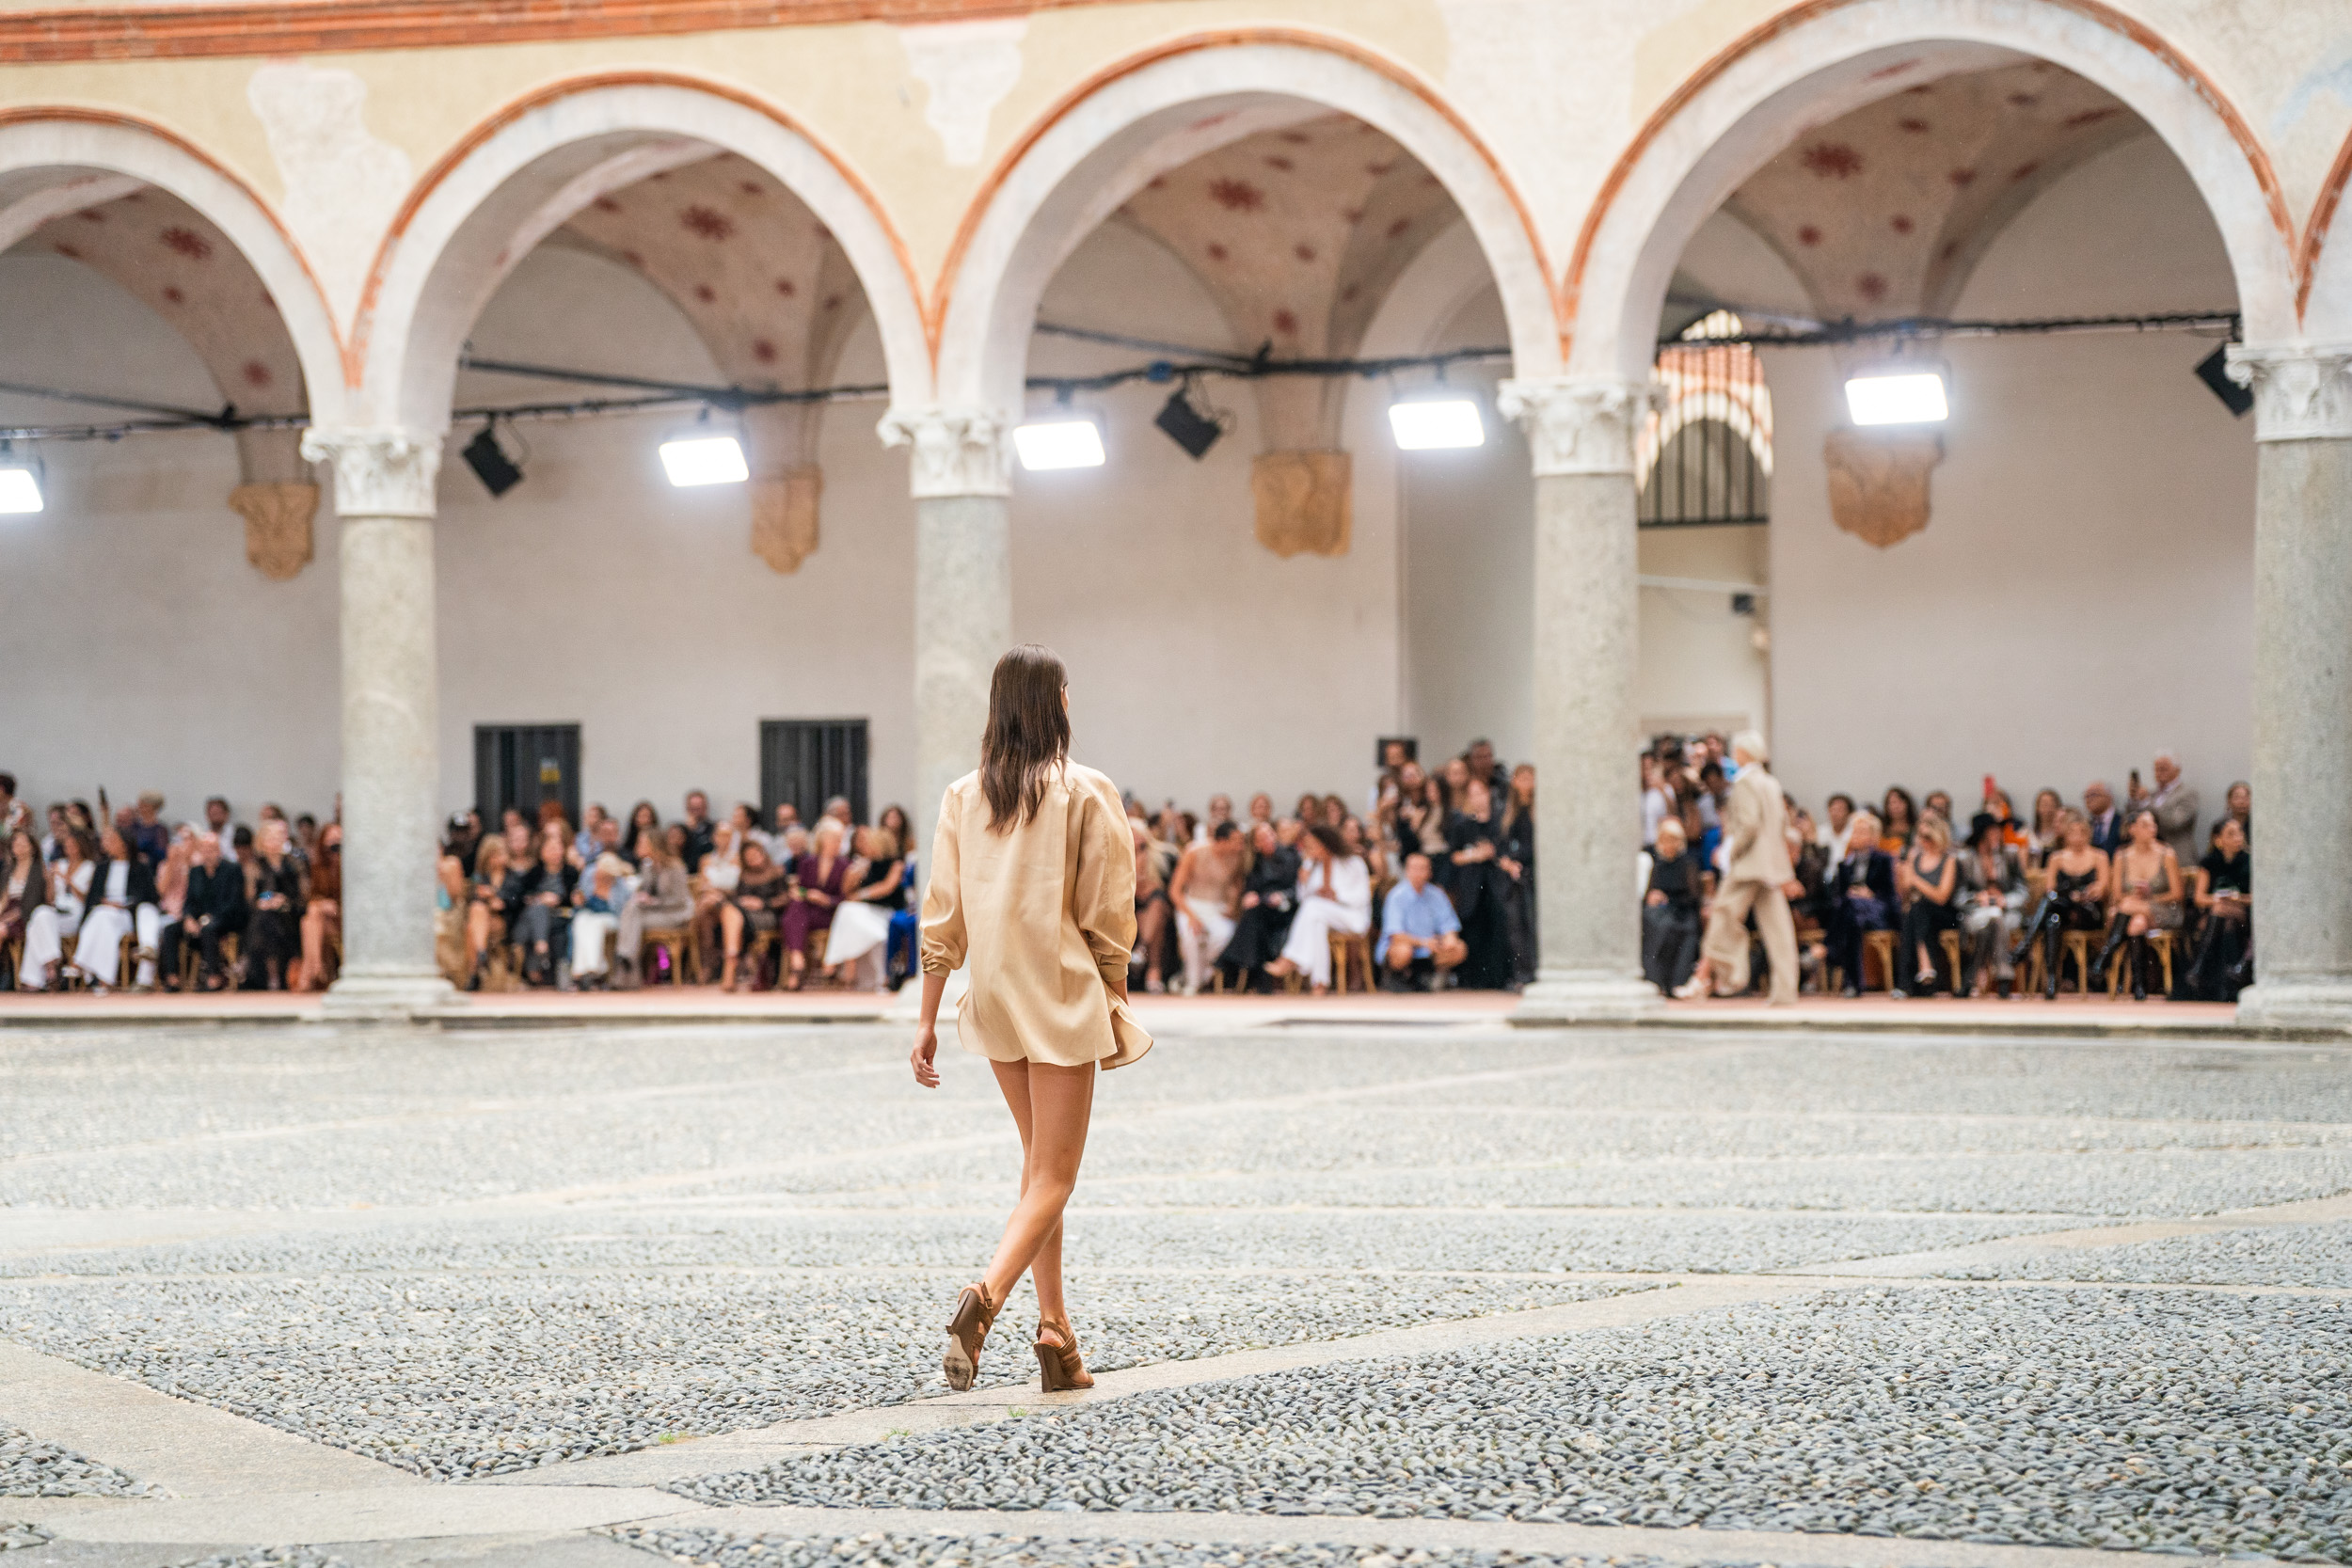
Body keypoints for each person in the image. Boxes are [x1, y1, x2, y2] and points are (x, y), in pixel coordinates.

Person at [911, 642, 1144, 1396]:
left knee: (1036, 1166)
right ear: (1058, 704)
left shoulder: (960, 794)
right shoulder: (1085, 790)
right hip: (1060, 986)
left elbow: (941, 918)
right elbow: (1109, 911)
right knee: (1056, 1175)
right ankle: (985, 1300)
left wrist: (926, 1020)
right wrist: (1114, 986)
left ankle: (1057, 1336)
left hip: (994, 994)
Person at [1681, 731, 1798, 1004]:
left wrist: (1729, 852)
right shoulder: (1770, 782)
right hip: (1769, 863)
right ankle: (1784, 991)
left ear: (1743, 753)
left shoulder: (1745, 782)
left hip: (1749, 864)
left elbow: (1748, 825)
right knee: (1777, 928)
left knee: (1721, 916)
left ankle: (1732, 973)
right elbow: (1781, 824)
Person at [2011, 810, 2110, 999]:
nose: (2077, 837)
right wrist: (2070, 896)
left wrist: (2091, 891)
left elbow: (2103, 888)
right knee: (2053, 919)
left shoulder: (2099, 856)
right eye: (2073, 832)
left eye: (2081, 832)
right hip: (2063, 909)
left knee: (2053, 907)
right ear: (2066, 834)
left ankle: (2025, 945)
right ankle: (2051, 980)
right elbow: (2050, 889)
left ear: (2088, 833)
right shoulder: (2056, 858)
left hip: (2088, 911)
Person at [1264, 824, 1372, 992]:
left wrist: (1337, 896)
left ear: (1326, 843)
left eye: (1313, 845)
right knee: (1316, 921)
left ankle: (1291, 957)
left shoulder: (1353, 862)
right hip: (1323, 916)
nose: (1310, 850)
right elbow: (1302, 899)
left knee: (1314, 908)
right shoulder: (1313, 866)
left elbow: (1362, 897)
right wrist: (1304, 879)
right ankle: (1319, 982)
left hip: (1351, 915)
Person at [2095, 807, 2184, 1000]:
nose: (2151, 829)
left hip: (2164, 909)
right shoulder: (2122, 855)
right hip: (2135, 913)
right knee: (2137, 924)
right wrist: (2135, 897)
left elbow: (2177, 895)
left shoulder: (2166, 853)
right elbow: (2117, 894)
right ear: (2132, 828)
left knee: (2127, 908)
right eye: (2144, 825)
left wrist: (2149, 896)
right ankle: (2139, 985)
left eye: (2153, 824)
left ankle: (2106, 956)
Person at [1444, 778, 1516, 990]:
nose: (1478, 798)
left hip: (1495, 884)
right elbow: (1454, 855)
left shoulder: (1500, 822)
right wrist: (1475, 854)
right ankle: (1473, 980)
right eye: (1473, 794)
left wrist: (1492, 853)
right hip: (1472, 885)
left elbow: (1503, 850)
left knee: (1497, 929)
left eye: (1481, 793)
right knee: (1473, 929)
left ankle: (1499, 979)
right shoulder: (1463, 825)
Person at [1824, 812, 1899, 996]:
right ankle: (1852, 984)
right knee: (1851, 914)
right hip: (1853, 914)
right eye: (1855, 832)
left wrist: (1870, 895)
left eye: (1863, 832)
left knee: (1850, 910)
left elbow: (1891, 895)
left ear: (1873, 836)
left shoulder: (1883, 860)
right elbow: (1837, 895)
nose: (1857, 836)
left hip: (1877, 910)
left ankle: (1829, 949)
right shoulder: (1845, 863)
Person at [1217, 820, 1298, 989]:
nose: (1267, 839)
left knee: (1255, 916)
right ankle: (1259, 976)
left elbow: (1297, 889)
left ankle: (1231, 962)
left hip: (1286, 911)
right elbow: (1251, 889)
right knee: (1255, 915)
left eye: (1269, 834)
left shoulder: (1290, 856)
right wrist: (1249, 896)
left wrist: (1281, 896)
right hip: (1263, 910)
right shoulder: (1254, 863)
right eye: (1262, 837)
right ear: (1256, 844)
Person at [822, 826, 906, 988]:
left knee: (846, 911)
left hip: (887, 912)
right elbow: (846, 891)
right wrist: (854, 873)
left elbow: (886, 887)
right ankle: (847, 970)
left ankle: (836, 967)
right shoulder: (867, 864)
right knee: (846, 910)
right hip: (867, 912)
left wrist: (861, 895)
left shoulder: (896, 864)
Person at [1168, 822, 1244, 994]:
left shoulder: (1237, 857)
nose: (1240, 845)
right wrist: (1192, 916)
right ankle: (1192, 983)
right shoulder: (1194, 852)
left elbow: (1236, 884)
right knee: (1191, 936)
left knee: (1224, 935)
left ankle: (1198, 974)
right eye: (1236, 841)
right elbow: (1175, 890)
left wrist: (1232, 905)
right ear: (1222, 840)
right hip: (1192, 903)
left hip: (1218, 907)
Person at [1956, 813, 2027, 997]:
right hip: (1977, 912)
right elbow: (1958, 896)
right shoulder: (1966, 859)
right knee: (1990, 919)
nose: (1998, 834)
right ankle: (2004, 975)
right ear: (1982, 834)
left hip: (2007, 912)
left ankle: (1971, 977)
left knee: (1994, 918)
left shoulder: (2009, 855)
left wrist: (2005, 900)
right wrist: (1977, 898)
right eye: (1993, 831)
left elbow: (2023, 891)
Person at [780, 817, 851, 990]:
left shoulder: (845, 865)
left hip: (831, 914)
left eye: (839, 839)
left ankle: (797, 968)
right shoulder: (808, 862)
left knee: (795, 915)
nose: (838, 843)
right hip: (808, 911)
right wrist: (802, 893)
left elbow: (846, 897)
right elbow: (802, 888)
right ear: (823, 840)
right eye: (835, 839)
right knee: (796, 908)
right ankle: (797, 960)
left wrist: (826, 899)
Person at [615, 829, 691, 989]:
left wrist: (654, 902)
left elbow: (680, 900)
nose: (638, 845)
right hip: (654, 913)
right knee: (633, 907)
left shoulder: (676, 867)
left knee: (632, 915)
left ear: (654, 844)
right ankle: (627, 959)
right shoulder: (647, 866)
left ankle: (625, 958)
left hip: (674, 913)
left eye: (642, 842)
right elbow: (643, 890)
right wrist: (642, 897)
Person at [2186, 817, 2252, 1001]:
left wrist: (2238, 898)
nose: (2238, 837)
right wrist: (2217, 897)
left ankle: (2200, 966)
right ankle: (2224, 985)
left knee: (2223, 911)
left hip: (2245, 912)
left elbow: (2258, 897)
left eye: (2239, 832)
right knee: (2224, 918)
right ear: (2218, 840)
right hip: (2216, 914)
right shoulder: (2209, 862)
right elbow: (2199, 898)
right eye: (2231, 834)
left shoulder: (2249, 861)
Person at [19, 828, 93, 990]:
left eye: (72, 845)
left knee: (35, 925)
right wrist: (51, 880)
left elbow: (86, 898)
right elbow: (50, 898)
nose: (69, 848)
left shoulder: (89, 866)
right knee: (40, 914)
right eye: (66, 845)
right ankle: (51, 966)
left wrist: (67, 879)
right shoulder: (60, 864)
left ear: (80, 846)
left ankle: (33, 980)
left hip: (75, 912)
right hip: (57, 910)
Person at [1894, 814, 1959, 996]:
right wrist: (1901, 876)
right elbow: (1906, 894)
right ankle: (1925, 972)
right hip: (1919, 914)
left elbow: (1942, 896)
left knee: (1918, 910)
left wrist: (1915, 879)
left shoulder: (1949, 860)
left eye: (1928, 837)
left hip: (1945, 914)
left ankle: (1907, 981)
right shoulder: (1915, 857)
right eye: (1921, 837)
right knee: (1913, 911)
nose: (1925, 842)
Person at [1380, 850, 1465, 990]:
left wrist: (1450, 939)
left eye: (1422, 868)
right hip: (1407, 947)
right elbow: (1396, 936)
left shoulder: (1437, 895)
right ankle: (1397, 976)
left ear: (1429, 872)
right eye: (1414, 868)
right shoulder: (1396, 896)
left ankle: (1430, 976)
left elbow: (1449, 925)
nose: (1418, 873)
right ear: (1406, 871)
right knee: (1403, 951)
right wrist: (1424, 942)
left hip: (1430, 949)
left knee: (1458, 948)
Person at [1642, 816, 1708, 993]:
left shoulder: (1688, 864)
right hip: (1661, 914)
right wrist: (1653, 897)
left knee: (1670, 928)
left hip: (1683, 913)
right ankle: (1655, 981)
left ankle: (1675, 983)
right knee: (1652, 922)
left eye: (1672, 839)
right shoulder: (1658, 865)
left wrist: (1669, 900)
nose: (1668, 844)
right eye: (1664, 840)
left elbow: (1693, 898)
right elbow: (1649, 893)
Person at [717, 840, 789, 991]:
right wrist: (744, 901)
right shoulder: (744, 876)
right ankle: (732, 957)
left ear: (763, 853)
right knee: (729, 910)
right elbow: (737, 897)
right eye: (748, 856)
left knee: (730, 913)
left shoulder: (777, 871)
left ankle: (730, 965)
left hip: (768, 915)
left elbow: (785, 899)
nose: (752, 858)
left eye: (755, 854)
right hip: (744, 915)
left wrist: (762, 903)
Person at [510, 827, 578, 987]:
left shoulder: (570, 872)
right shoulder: (534, 873)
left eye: (558, 848)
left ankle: (537, 961)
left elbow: (574, 898)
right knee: (539, 909)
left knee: (536, 922)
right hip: (535, 914)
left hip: (560, 915)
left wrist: (558, 899)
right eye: (551, 849)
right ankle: (541, 946)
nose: (555, 852)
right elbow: (520, 897)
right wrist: (541, 898)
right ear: (542, 852)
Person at [243, 819, 304, 990]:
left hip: (292, 913)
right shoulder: (255, 866)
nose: (275, 840)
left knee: (270, 920)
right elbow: (251, 897)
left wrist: (284, 901)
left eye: (279, 836)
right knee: (265, 918)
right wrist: (264, 901)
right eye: (270, 837)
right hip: (264, 915)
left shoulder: (294, 864)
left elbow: (302, 897)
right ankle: (273, 975)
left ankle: (273, 976)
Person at [1498, 763, 1536, 986]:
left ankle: (1534, 971)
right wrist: (1507, 863)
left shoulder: (1539, 811)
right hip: (1512, 875)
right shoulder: (1507, 810)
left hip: (1532, 873)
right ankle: (1521, 974)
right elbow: (1501, 844)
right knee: (1516, 927)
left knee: (1532, 924)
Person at [294, 823, 342, 991]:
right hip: (327, 918)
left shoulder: (350, 867)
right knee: (311, 917)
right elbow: (313, 896)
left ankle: (309, 972)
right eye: (331, 844)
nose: (335, 848)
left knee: (310, 918)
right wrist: (324, 904)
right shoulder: (319, 867)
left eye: (339, 843)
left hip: (346, 918)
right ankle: (315, 968)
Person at [2, 827, 45, 988]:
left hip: (25, 915)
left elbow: (33, 902)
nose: (18, 846)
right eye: (16, 842)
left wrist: (9, 917)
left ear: (32, 847)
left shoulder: (38, 871)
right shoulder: (8, 871)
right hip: (7, 913)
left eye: (23, 842)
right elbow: (4, 899)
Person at [2145, 752, 2201, 867]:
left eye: (2164, 768)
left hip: (2178, 856)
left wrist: (2149, 803)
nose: (2159, 773)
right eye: (2156, 769)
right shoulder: (2151, 795)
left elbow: (2175, 822)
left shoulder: (2188, 793)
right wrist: (2136, 801)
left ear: (2177, 770)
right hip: (2151, 857)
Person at [678, 791, 716, 873]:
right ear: (687, 809)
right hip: (686, 872)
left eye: (699, 808)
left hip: (706, 872)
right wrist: (689, 832)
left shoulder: (714, 829)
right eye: (693, 809)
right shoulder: (681, 831)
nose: (696, 812)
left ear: (705, 808)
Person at [1817, 793, 1857, 865]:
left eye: (1839, 810)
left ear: (1849, 813)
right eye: (1832, 809)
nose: (1835, 814)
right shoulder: (1821, 832)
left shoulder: (1854, 833)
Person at [2083, 781, 2122, 855]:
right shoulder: (2085, 824)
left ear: (2109, 797)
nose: (2089, 800)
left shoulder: (2122, 821)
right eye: (2086, 796)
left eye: (2093, 795)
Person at [1877, 787, 1917, 855]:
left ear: (1907, 804)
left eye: (1899, 802)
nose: (1895, 807)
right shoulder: (1880, 827)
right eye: (1891, 803)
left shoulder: (1916, 827)